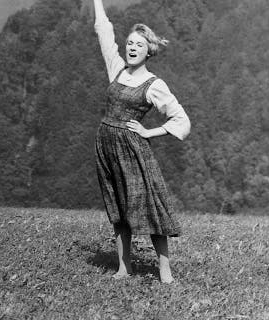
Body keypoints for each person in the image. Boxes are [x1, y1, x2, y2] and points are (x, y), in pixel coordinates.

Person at [92, 0, 191, 284]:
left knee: (147, 204)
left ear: (149, 50)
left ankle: (164, 269)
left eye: (138, 44)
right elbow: (103, 30)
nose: (132, 48)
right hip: (106, 145)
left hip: (133, 150)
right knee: (118, 205)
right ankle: (124, 268)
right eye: (130, 43)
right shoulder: (117, 70)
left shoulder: (154, 84)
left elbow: (181, 120)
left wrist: (150, 132)